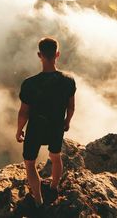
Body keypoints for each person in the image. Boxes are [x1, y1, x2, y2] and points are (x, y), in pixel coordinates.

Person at [16, 37, 76, 208]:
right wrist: (67, 122)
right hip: (56, 127)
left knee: (29, 163)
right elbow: (71, 107)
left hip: (35, 128)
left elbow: (24, 112)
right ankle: (54, 186)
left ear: (39, 55)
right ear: (57, 54)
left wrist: (19, 130)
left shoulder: (29, 84)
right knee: (55, 157)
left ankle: (38, 201)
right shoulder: (68, 80)